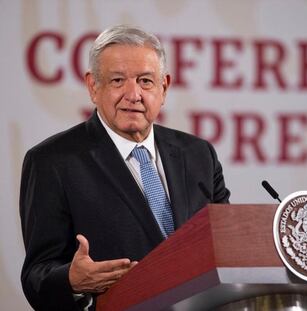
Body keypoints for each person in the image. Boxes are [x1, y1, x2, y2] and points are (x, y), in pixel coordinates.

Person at [19, 24, 230, 311]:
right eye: (118, 80)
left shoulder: (198, 154)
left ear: (164, 87)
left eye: (145, 81)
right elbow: (36, 276)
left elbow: (226, 246)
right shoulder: (52, 161)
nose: (133, 94)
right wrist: (71, 281)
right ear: (94, 86)